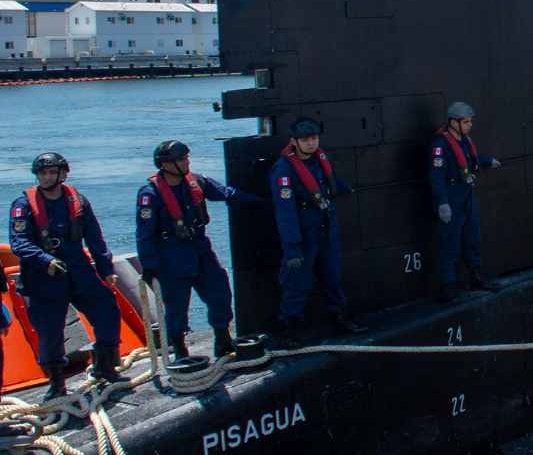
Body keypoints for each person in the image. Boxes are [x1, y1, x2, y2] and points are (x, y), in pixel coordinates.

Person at [135, 140, 262, 360]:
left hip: (200, 250)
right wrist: (149, 266)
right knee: (176, 307)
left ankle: (222, 339)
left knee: (220, 293)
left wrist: (262, 202)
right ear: (166, 164)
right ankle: (180, 349)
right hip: (172, 255)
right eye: (182, 159)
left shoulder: (197, 182)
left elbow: (226, 193)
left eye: (187, 158)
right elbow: (144, 233)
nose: (187, 162)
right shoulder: (151, 194)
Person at [9, 152, 122, 397]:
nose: (47, 177)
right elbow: (19, 243)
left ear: (62, 174)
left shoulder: (78, 201)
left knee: (107, 311)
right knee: (50, 330)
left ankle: (105, 366)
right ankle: (57, 383)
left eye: (52, 172)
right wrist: (45, 259)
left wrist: (106, 269)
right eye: (42, 173)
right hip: (44, 276)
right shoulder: (23, 206)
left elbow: (95, 238)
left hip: (78, 270)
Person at [269, 118, 366, 345]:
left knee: (332, 276)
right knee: (297, 282)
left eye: (314, 138)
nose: (311, 143)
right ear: (294, 141)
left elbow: (327, 182)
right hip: (303, 236)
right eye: (305, 139)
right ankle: (291, 327)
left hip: (326, 230)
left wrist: (345, 187)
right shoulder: (283, 171)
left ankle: (339, 317)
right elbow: (285, 212)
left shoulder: (318, 160)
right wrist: (292, 247)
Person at [430, 102, 503, 302]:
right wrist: (442, 203)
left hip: (467, 195)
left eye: (470, 121)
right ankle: (448, 287)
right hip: (452, 197)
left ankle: (476, 277)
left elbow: (470, 160)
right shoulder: (440, 145)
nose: (470, 125)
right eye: (466, 121)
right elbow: (436, 177)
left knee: (472, 238)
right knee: (450, 243)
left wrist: (488, 161)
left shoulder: (463, 140)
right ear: (453, 122)